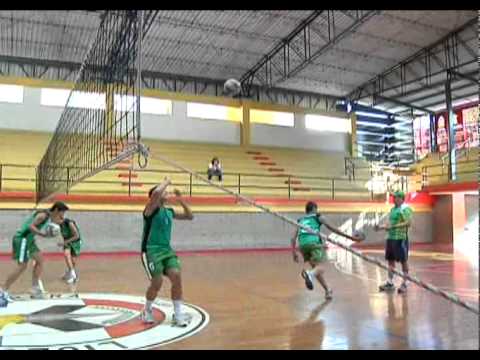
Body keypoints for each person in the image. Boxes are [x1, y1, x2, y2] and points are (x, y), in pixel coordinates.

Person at [140, 178, 194, 327]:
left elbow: (190, 216)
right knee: (157, 282)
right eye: (163, 192)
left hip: (166, 250)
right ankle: (147, 310)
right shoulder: (150, 210)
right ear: (154, 198)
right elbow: (157, 192)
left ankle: (177, 314)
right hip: (151, 251)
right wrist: (167, 181)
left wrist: (181, 200)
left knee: (176, 276)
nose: (165, 193)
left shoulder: (169, 211)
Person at [291, 201, 362, 300]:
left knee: (316, 270)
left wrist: (294, 252)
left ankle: (327, 290)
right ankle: (309, 274)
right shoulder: (317, 217)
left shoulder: (300, 220)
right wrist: (350, 238)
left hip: (302, 246)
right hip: (313, 243)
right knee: (321, 268)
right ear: (314, 209)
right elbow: (333, 229)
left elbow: (293, 238)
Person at [0, 201, 69, 300]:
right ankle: (3, 290)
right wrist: (43, 234)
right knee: (22, 266)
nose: (62, 216)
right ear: (56, 210)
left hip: (30, 240)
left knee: (40, 260)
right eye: (62, 213)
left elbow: (57, 221)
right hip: (22, 238)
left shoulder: (48, 216)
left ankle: (35, 288)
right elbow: (30, 226)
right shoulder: (43, 215)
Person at [374, 190, 413, 294]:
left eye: (395, 197)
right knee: (390, 261)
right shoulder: (393, 210)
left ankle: (405, 282)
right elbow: (389, 224)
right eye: (393, 197)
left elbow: (408, 223)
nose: (393, 199)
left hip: (400, 238)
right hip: (390, 238)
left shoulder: (405, 209)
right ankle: (390, 282)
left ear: (401, 198)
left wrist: (394, 226)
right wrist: (380, 227)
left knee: (403, 261)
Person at [58, 217, 83, 285]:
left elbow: (77, 236)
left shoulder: (69, 223)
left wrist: (64, 242)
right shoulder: (58, 226)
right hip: (67, 242)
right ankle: (73, 275)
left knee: (73, 261)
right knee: (66, 255)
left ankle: (69, 273)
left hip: (75, 241)